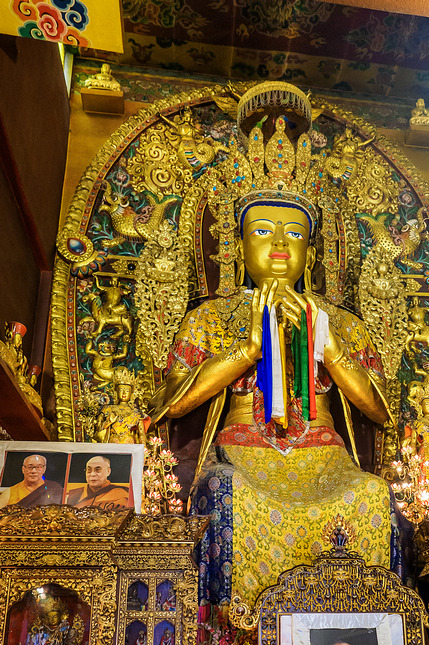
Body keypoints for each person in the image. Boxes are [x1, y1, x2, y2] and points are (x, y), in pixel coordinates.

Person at [148, 82, 411, 608]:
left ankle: (364, 625)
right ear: (237, 244)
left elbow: (383, 411)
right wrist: (244, 351)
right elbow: (171, 404)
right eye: (263, 230)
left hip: (324, 458)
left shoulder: (339, 320)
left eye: (294, 233)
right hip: (243, 456)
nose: (279, 244)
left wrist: (330, 350)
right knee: (226, 494)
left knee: (374, 495)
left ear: (311, 251)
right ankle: (235, 641)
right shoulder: (210, 317)